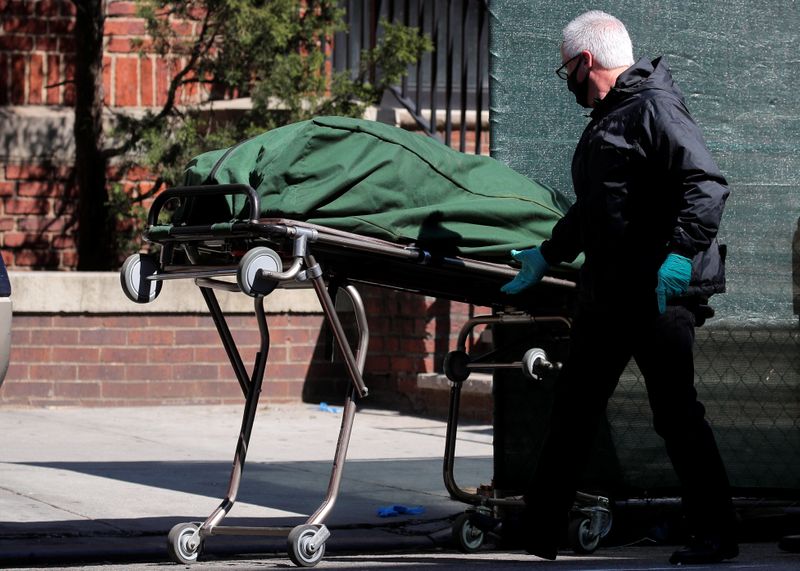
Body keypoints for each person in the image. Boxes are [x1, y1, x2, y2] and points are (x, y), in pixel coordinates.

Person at [501, 10, 737, 565]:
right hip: (607, 293)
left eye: (567, 73)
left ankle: (718, 535)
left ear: (586, 62)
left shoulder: (654, 106)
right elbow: (598, 206)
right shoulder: (615, 115)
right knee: (574, 407)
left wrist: (678, 257)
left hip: (656, 294)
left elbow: (706, 183)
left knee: (675, 414)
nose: (570, 86)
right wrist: (548, 253)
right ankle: (540, 533)